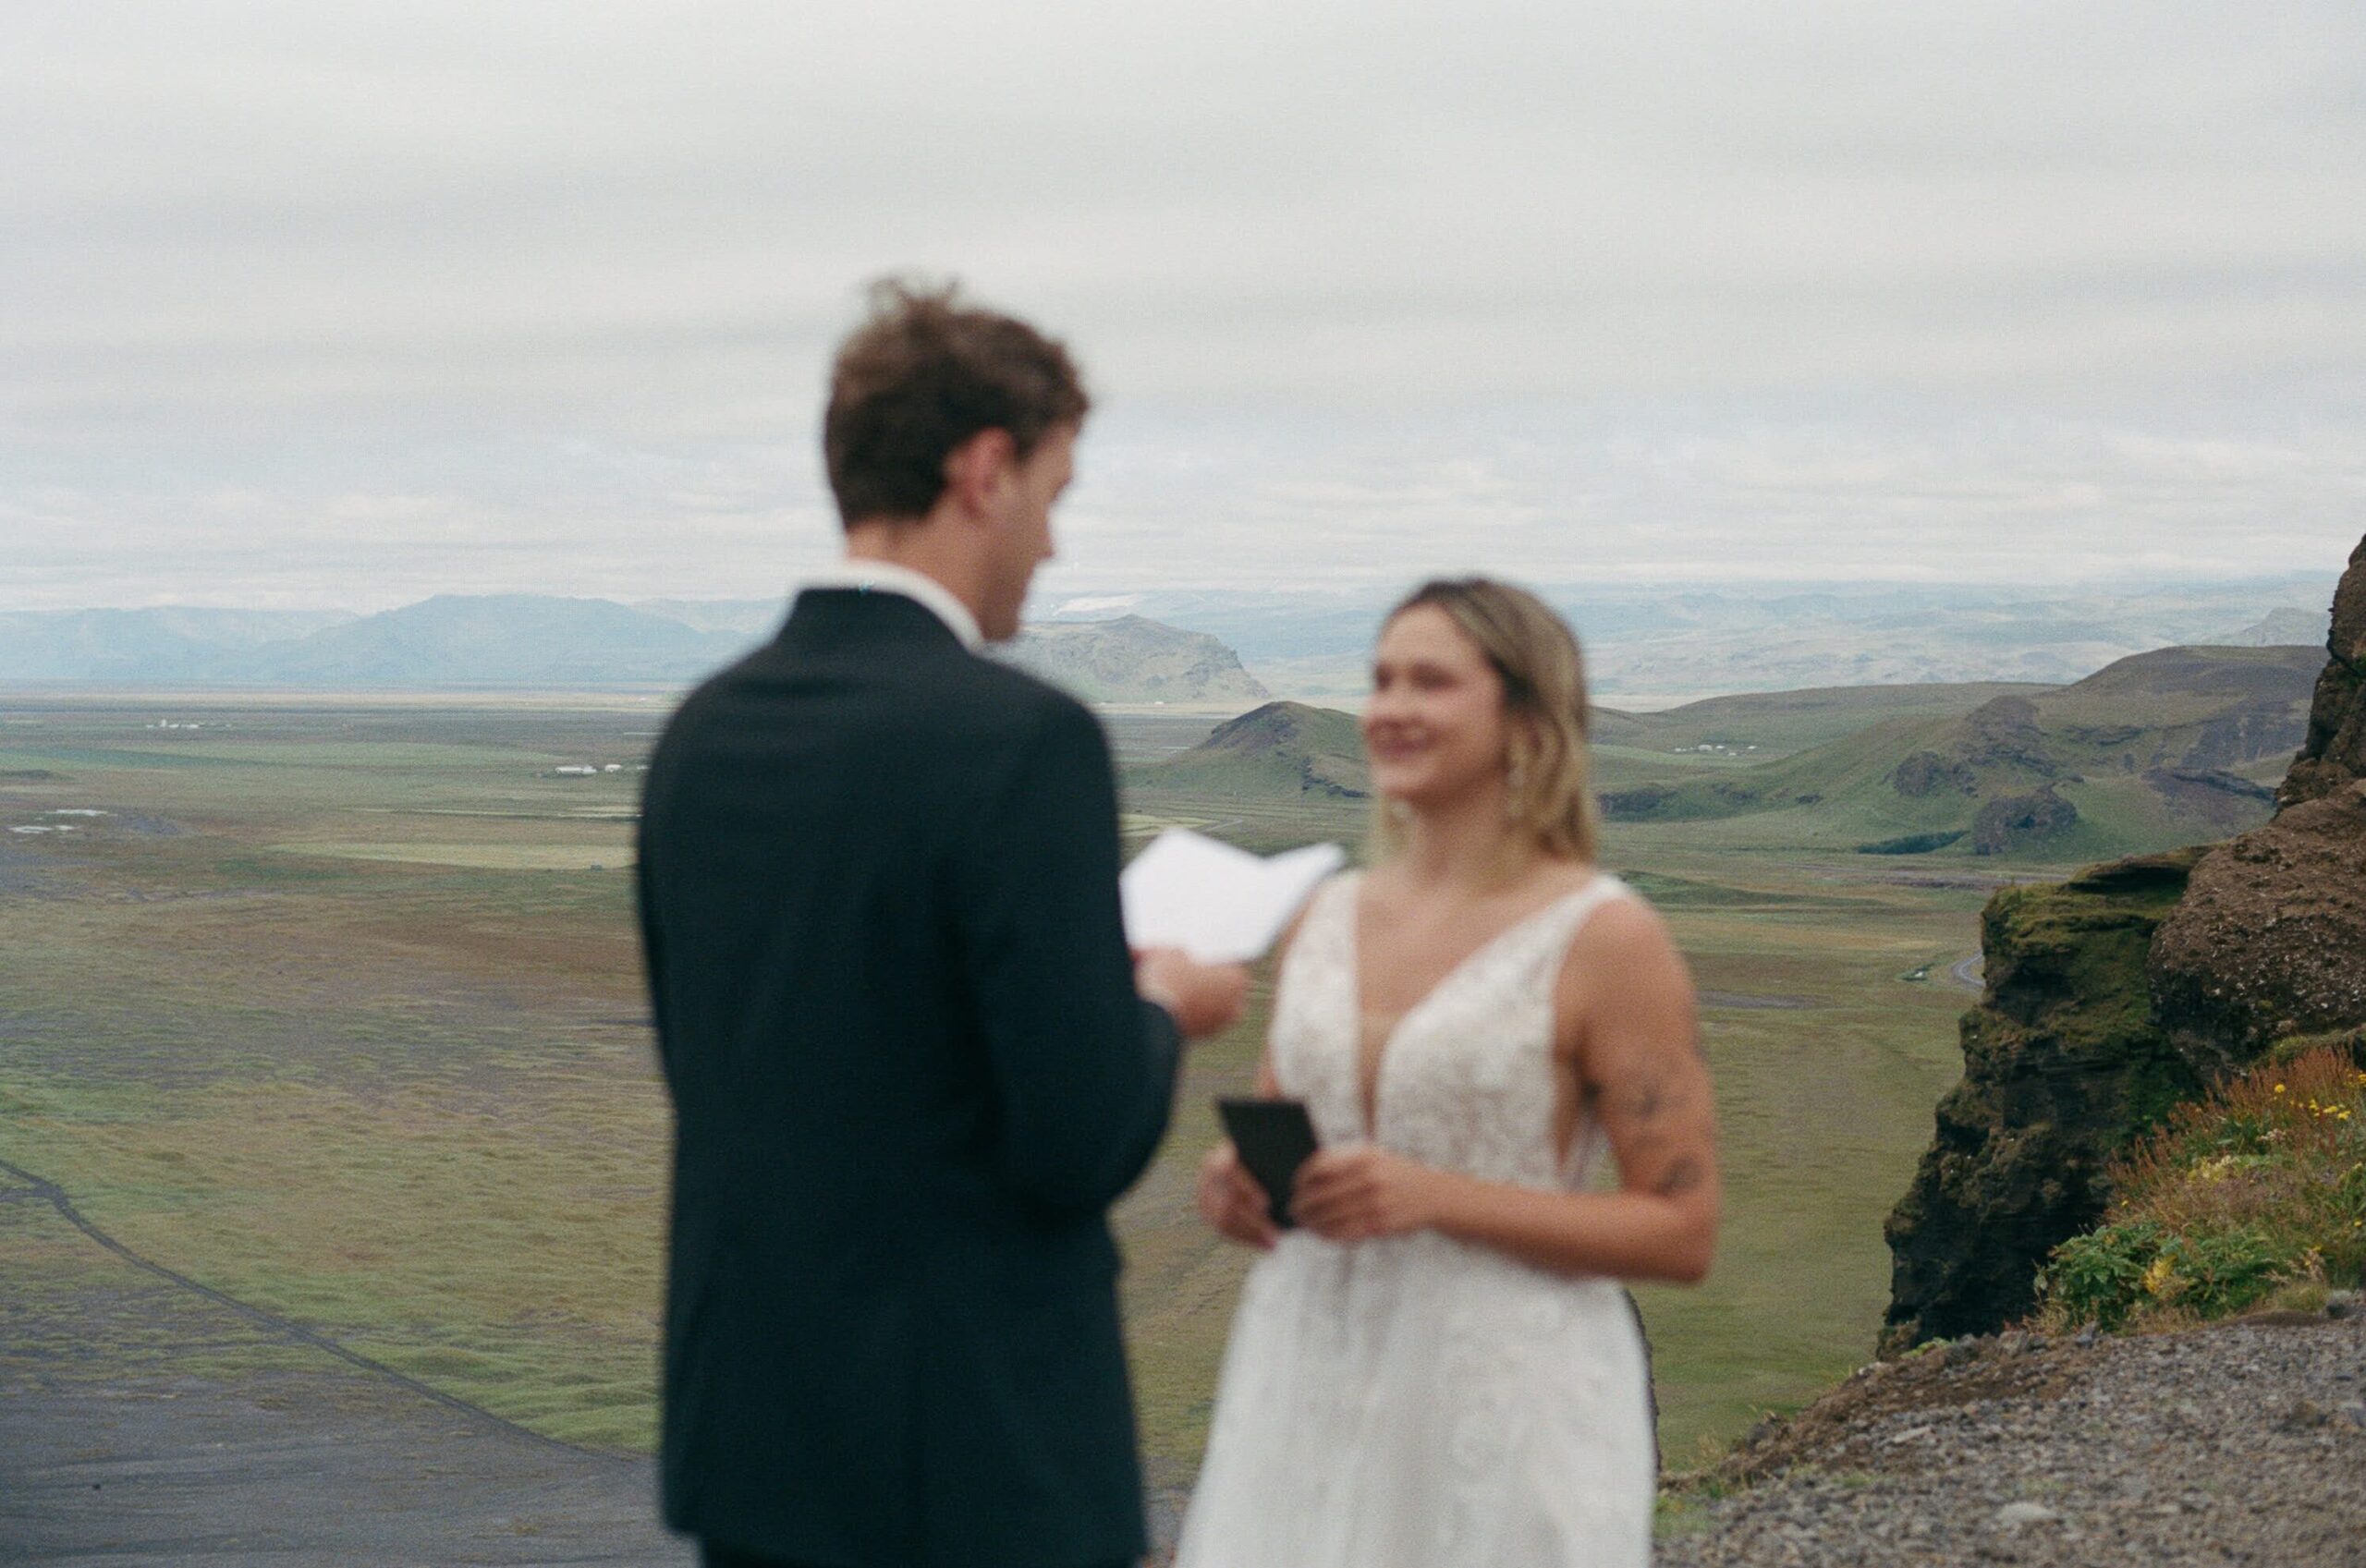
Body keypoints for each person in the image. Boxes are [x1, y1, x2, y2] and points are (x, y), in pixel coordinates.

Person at [636, 280, 1249, 1568]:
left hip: (754, 1444)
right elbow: (1077, 1139)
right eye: (1055, 494)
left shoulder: (703, 734)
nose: (1054, 545)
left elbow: (719, 1068)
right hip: (976, 1462)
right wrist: (1157, 1006)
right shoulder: (1024, 743)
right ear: (985, 472)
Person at [1175, 577, 1720, 1568]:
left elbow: (1681, 1230)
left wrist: (1437, 1197)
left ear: (1525, 719)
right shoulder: (1324, 916)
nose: (1389, 707)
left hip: (1501, 1398)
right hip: (1304, 1372)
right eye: (1380, 679)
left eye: (1429, 682)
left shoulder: (1605, 937)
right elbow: (1285, 1129)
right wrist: (1235, 1182)